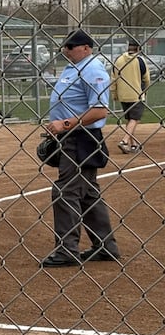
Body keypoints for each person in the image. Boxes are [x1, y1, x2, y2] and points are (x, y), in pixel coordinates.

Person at [42, 29, 121, 268]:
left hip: (80, 138)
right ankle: (106, 246)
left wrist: (65, 124)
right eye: (65, 46)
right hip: (71, 137)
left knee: (65, 192)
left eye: (71, 46)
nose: (66, 50)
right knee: (87, 194)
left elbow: (99, 110)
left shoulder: (93, 69)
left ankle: (67, 250)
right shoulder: (73, 68)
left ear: (86, 47)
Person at [111, 40, 150, 154]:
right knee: (135, 119)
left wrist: (114, 94)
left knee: (130, 120)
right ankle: (124, 141)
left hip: (123, 95)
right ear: (138, 48)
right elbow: (146, 79)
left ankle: (133, 145)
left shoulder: (118, 60)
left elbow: (113, 79)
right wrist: (145, 90)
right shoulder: (140, 60)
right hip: (136, 94)